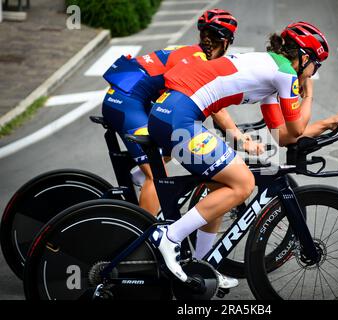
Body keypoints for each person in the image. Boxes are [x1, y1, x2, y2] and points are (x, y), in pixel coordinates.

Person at [146, 21, 338, 287]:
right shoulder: (285, 73)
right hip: (179, 118)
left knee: (221, 186)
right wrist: (309, 93)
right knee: (244, 182)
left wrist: (328, 123)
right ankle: (170, 237)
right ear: (304, 58)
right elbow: (298, 127)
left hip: (172, 113)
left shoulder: (272, 70)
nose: (313, 73)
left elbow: (283, 135)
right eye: (316, 65)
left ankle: (202, 267)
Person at [101, 9, 261, 217]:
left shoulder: (192, 52)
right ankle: (143, 240)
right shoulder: (199, 61)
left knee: (170, 136)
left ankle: (140, 175)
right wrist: (237, 136)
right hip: (126, 103)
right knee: (156, 176)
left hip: (125, 98)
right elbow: (216, 109)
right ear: (226, 42)